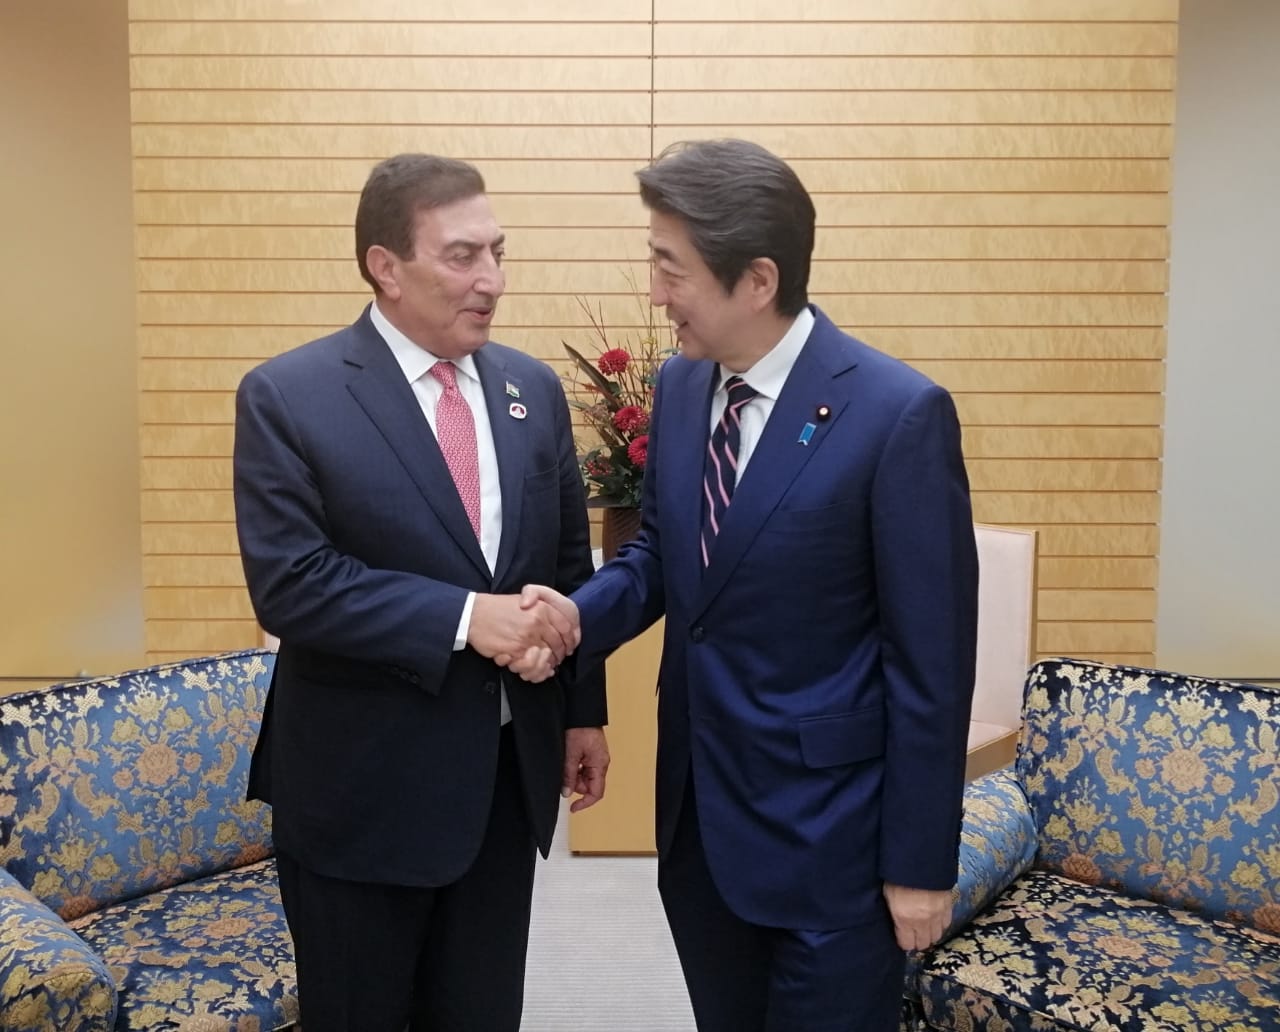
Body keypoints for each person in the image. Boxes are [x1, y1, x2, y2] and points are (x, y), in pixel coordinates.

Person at [523, 139, 979, 1031]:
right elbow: (663, 556)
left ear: (758, 279)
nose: (656, 293)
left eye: (671, 268)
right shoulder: (683, 386)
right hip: (700, 820)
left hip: (831, 844)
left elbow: (932, 667)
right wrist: (574, 617)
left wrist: (921, 865)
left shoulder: (896, 415)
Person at [232, 153, 608, 1032]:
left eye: (498, 253)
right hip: (361, 791)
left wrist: (583, 714)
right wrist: (468, 619)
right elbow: (291, 584)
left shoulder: (531, 389)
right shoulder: (290, 396)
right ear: (386, 267)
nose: (492, 280)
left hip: (501, 783)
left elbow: (566, 567)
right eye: (462, 256)